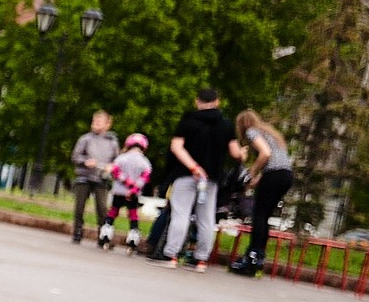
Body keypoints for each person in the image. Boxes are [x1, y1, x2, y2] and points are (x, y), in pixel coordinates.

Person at [150, 87, 232, 270]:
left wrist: (193, 167)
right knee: (206, 218)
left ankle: (171, 254)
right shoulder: (226, 124)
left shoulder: (189, 121)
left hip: (186, 174)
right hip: (211, 179)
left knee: (181, 214)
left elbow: (176, 146)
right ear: (217, 102)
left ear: (197, 101)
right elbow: (234, 151)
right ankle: (200, 259)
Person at [225, 111, 294, 277]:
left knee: (259, 216)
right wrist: (256, 181)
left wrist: (251, 172)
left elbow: (265, 154)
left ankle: (252, 256)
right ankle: (259, 256)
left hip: (274, 175)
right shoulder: (271, 133)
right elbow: (274, 160)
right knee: (265, 216)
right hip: (285, 175)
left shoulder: (252, 131)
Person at [67, 111, 118, 245]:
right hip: (84, 176)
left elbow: (117, 161)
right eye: (94, 122)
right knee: (79, 207)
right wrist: (85, 161)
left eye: (99, 122)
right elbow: (75, 156)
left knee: (102, 208)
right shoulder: (85, 139)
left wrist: (111, 167)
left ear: (108, 124)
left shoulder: (112, 142)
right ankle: (77, 232)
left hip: (101, 178)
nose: (95, 124)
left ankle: (104, 235)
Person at [102, 133, 151, 250]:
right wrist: (133, 188)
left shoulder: (121, 158)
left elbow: (115, 171)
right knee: (133, 214)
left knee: (113, 211)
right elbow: (145, 177)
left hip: (119, 191)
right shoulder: (145, 162)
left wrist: (126, 182)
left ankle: (106, 232)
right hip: (133, 194)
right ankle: (133, 237)